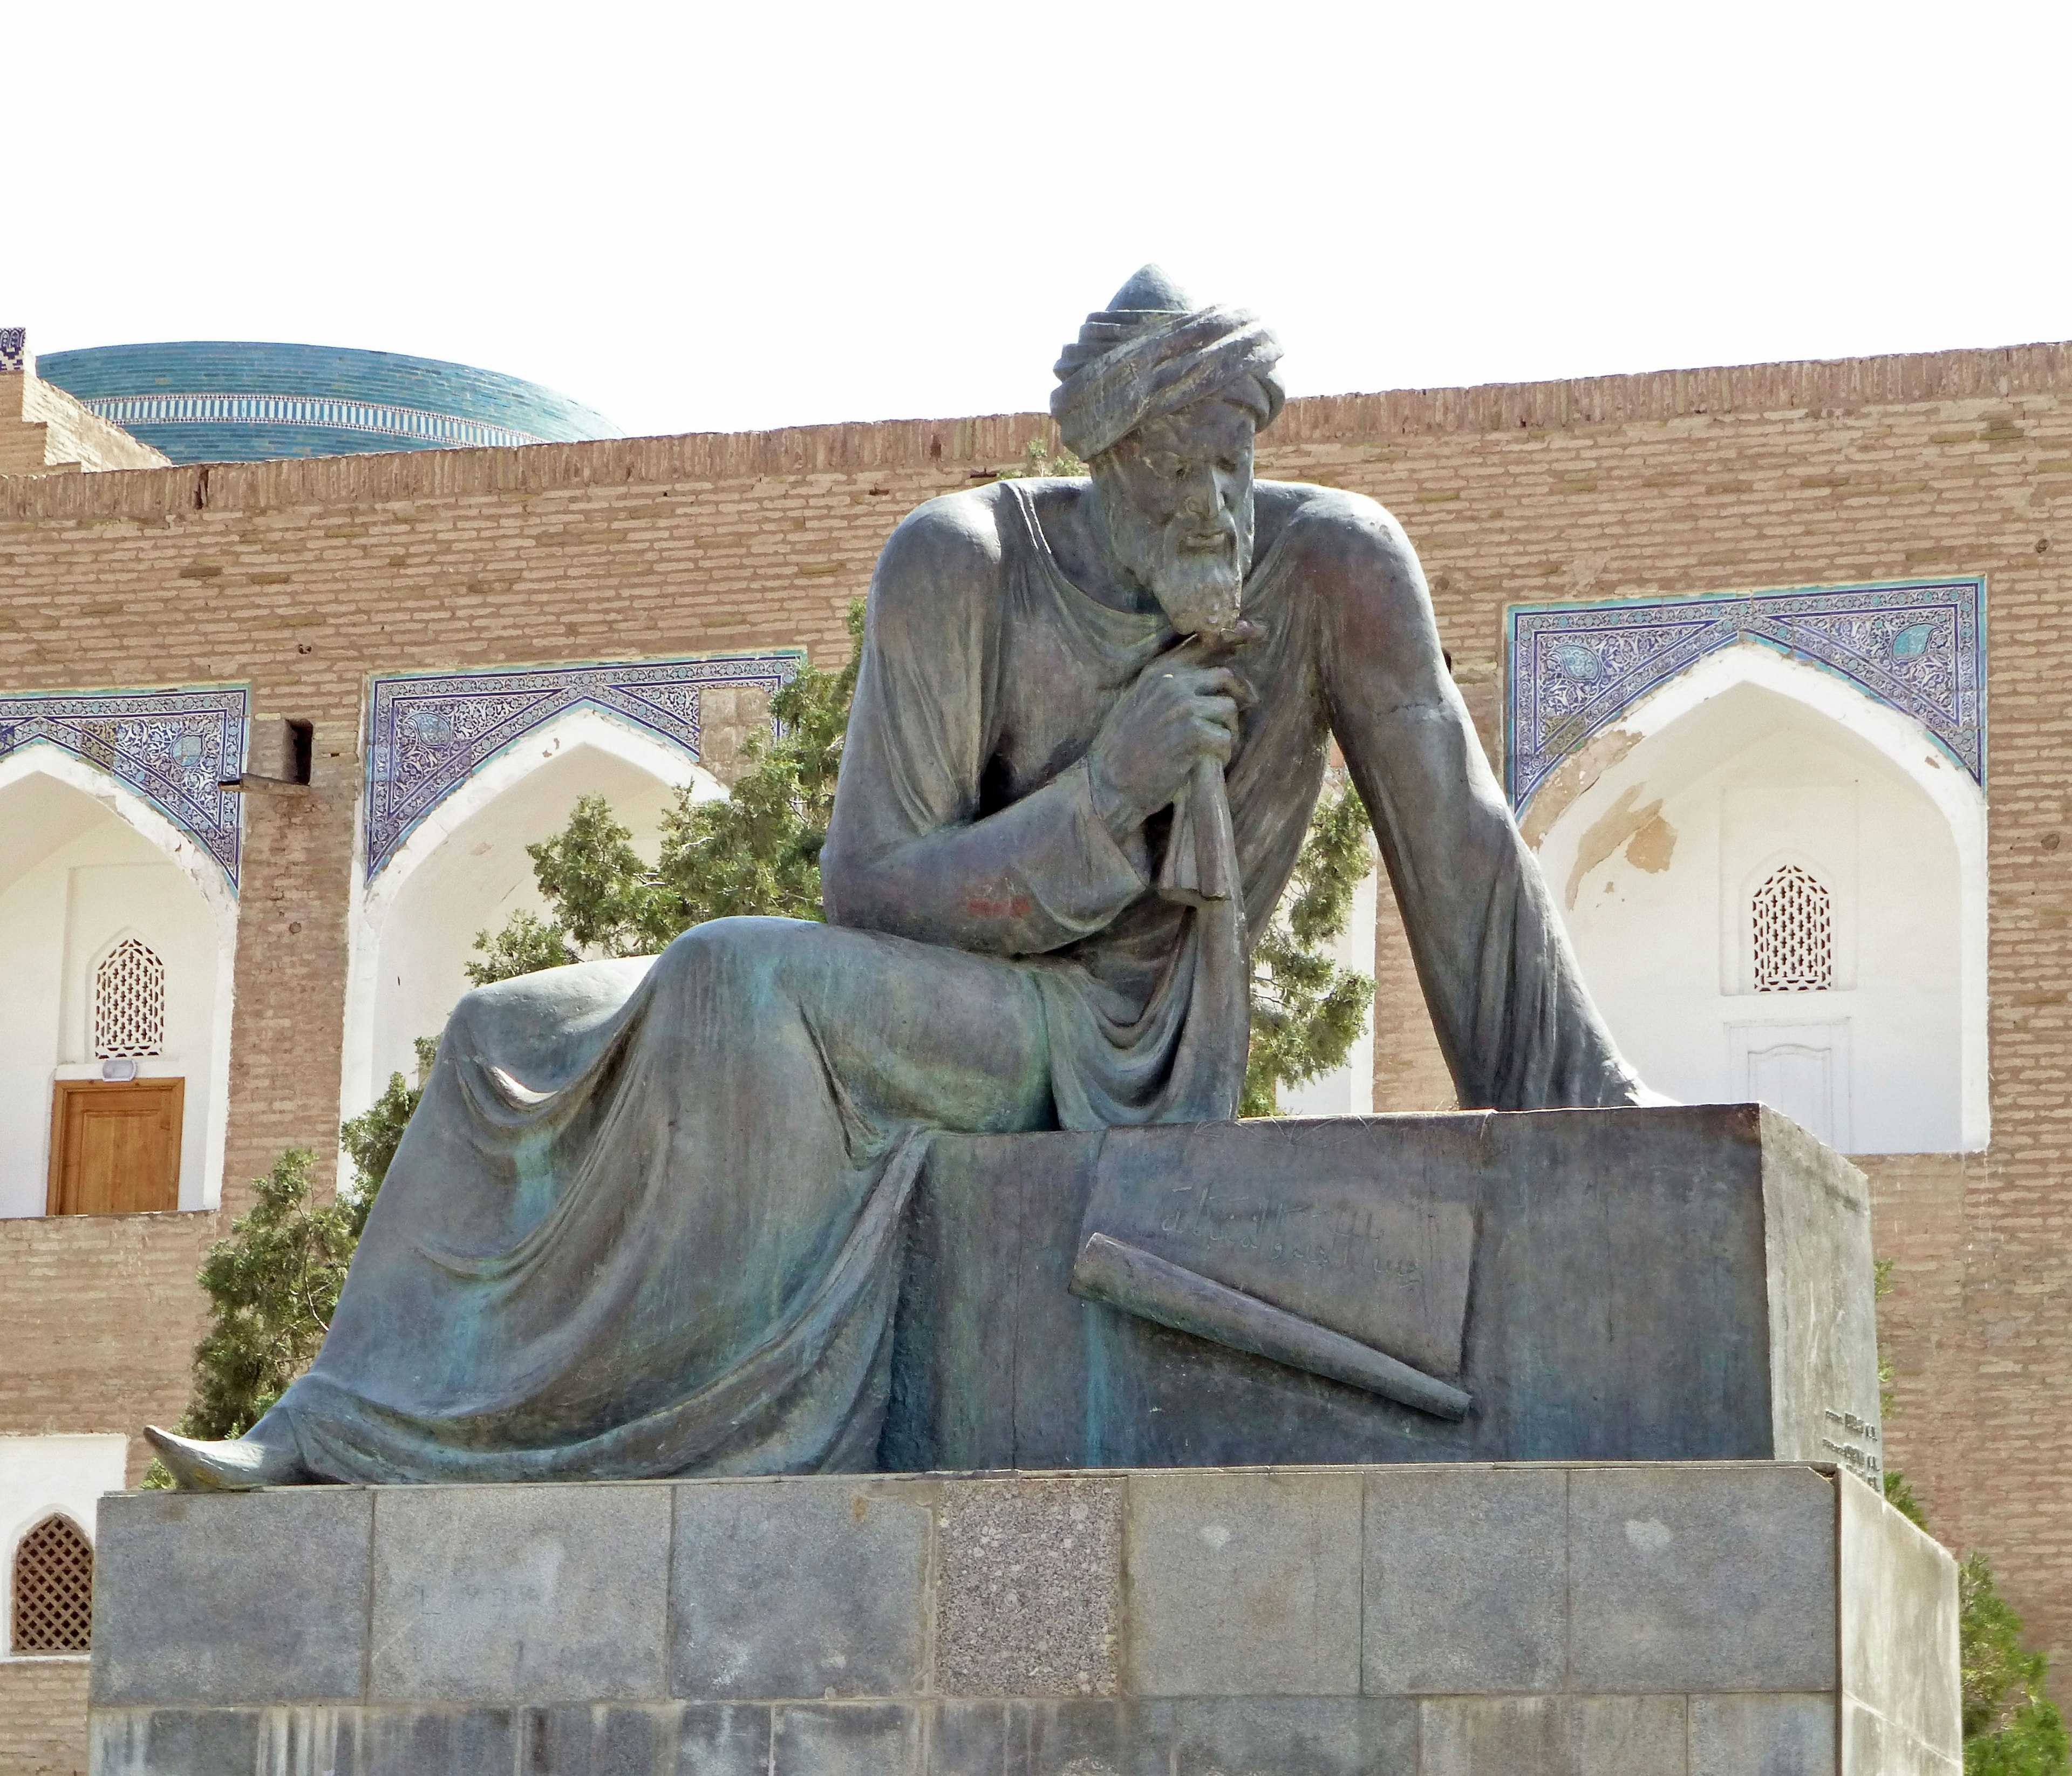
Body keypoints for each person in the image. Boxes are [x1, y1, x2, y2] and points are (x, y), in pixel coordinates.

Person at [148, 267, 1645, 1490]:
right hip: (973, 992)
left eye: (1239, 465)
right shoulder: (965, 567)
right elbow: (871, 887)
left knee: (738, 977)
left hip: (1112, 1041)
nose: (1220, 512)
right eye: (1185, 471)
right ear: (1106, 459)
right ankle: (336, 1432)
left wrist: (1601, 1121)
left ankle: (638, 1430)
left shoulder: (1331, 570)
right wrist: (1106, 792)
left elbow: (1460, 834)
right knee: (502, 1034)